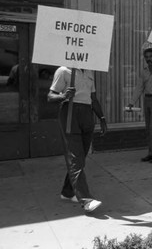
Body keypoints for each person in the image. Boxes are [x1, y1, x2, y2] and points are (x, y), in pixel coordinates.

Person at [47, 67, 107, 213]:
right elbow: (50, 96)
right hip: (70, 112)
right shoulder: (63, 71)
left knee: (81, 157)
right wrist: (63, 96)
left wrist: (102, 118)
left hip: (86, 113)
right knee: (75, 157)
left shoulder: (89, 72)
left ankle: (68, 191)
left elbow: (93, 98)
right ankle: (86, 199)